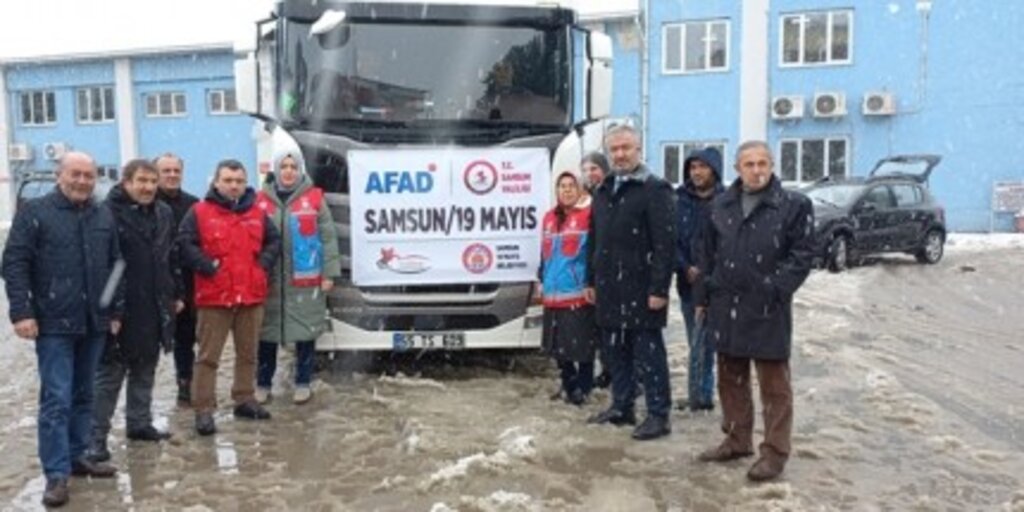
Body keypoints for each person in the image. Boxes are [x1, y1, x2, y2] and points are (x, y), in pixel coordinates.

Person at [1, 152, 121, 507]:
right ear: (60, 175)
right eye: (76, 174)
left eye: (89, 175)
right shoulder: (35, 213)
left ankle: (78, 454)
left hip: (94, 323)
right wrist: (21, 311)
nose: (83, 181)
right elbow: (14, 263)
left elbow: (117, 264)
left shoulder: (102, 214)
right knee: (56, 398)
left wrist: (113, 308)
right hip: (53, 323)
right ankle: (56, 473)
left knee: (85, 394)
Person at [694, 141, 814, 482]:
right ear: (737, 168)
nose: (757, 170)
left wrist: (774, 288)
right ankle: (737, 439)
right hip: (726, 303)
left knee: (775, 386)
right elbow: (705, 253)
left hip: (767, 308)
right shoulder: (720, 205)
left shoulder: (793, 205)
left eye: (763, 163)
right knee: (730, 379)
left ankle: (774, 453)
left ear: (773, 165)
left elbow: (803, 255)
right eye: (749, 164)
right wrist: (704, 294)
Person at [585, 125, 677, 441]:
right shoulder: (603, 190)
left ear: (639, 149)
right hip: (609, 285)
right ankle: (622, 406)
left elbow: (666, 244)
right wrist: (591, 279)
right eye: (615, 150)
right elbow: (594, 239)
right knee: (615, 352)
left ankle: (658, 414)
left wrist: (659, 289)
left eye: (626, 148)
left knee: (649, 354)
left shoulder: (655, 189)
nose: (621, 154)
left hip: (642, 287)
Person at [178, 159, 281, 436]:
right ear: (217, 182)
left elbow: (274, 241)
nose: (234, 186)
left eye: (238, 181)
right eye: (228, 180)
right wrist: (207, 266)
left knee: (248, 353)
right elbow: (185, 244)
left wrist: (263, 267)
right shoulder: (199, 212)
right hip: (214, 296)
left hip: (250, 295)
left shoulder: (258, 212)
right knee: (208, 357)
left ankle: (244, 399)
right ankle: (203, 409)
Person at [89, 160, 180, 464]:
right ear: (126, 182)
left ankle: (139, 423)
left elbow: (170, 256)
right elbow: (103, 264)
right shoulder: (106, 213)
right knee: (110, 375)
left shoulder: (163, 212)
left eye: (153, 181)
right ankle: (95, 439)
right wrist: (109, 308)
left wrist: (174, 293)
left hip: (154, 304)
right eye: (141, 181)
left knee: (146, 366)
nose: (148, 187)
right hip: (120, 306)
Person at [254, 149, 340, 405]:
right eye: (284, 166)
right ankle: (262, 383)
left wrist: (329, 273)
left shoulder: (314, 199)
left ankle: (303, 382)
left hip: (305, 280)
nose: (289, 171)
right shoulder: (260, 201)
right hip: (269, 282)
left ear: (300, 170)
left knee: (305, 334)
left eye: (293, 166)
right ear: (276, 170)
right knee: (266, 335)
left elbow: (328, 238)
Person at [539, 169, 600, 406]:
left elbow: (593, 253)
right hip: (552, 295)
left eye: (571, 186)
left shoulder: (588, 217)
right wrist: (541, 279)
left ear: (579, 190)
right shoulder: (548, 218)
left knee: (582, 348)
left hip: (577, 294)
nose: (566, 190)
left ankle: (583, 389)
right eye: (562, 186)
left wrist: (590, 283)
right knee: (557, 348)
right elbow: (545, 254)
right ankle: (568, 384)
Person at [674, 147, 725, 412]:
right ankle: (698, 396)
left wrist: (711, 271)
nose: (696, 172)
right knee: (695, 341)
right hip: (687, 284)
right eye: (692, 167)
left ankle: (705, 397)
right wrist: (684, 265)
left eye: (702, 167)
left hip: (719, 286)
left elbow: (730, 243)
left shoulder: (727, 200)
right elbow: (672, 240)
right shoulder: (679, 200)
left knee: (711, 344)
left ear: (714, 170)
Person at [154, 153, 200, 406]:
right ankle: (140, 400)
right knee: (149, 342)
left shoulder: (194, 205)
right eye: (166, 171)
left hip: (188, 282)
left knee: (186, 338)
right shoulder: (146, 203)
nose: (172, 175)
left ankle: (186, 382)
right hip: (154, 283)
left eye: (176, 170)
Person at [578, 152, 612, 388]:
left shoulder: (608, 195)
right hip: (595, 273)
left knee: (613, 330)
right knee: (600, 330)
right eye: (586, 170)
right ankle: (607, 369)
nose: (590, 174)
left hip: (613, 272)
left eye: (594, 169)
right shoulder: (588, 199)